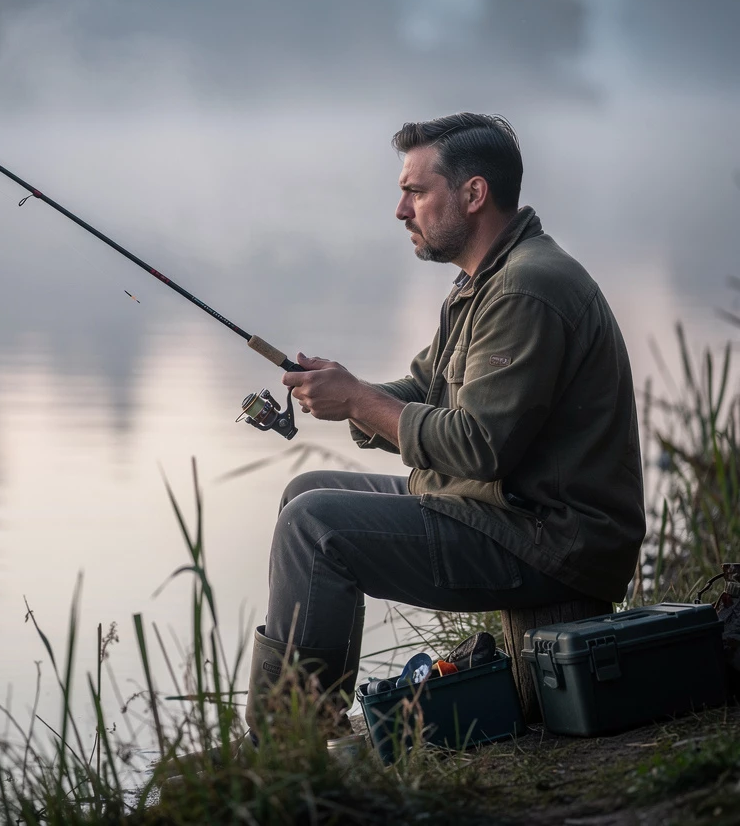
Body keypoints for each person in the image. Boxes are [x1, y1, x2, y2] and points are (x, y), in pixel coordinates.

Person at [244, 112, 645, 737]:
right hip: (503, 510)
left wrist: (357, 402)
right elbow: (423, 393)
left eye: (416, 190)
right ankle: (316, 724)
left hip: (552, 539)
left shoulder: (524, 290)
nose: (402, 210)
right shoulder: (483, 282)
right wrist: (343, 387)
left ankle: (287, 744)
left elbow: (478, 445)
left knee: (315, 524)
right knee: (305, 494)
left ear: (473, 194)